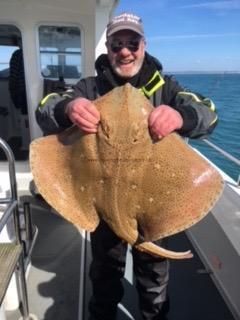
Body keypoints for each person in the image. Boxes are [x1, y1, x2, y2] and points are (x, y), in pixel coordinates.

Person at [36, 12, 218, 320]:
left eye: (132, 43)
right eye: (116, 44)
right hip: (102, 206)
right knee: (104, 279)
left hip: (153, 205)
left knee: (153, 283)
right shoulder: (89, 88)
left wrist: (181, 117)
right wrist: (68, 108)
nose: (125, 51)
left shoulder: (167, 89)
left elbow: (208, 111)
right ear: (107, 48)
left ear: (143, 46)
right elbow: (46, 106)